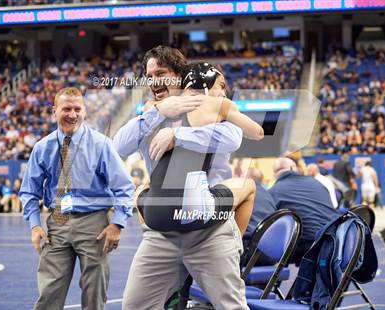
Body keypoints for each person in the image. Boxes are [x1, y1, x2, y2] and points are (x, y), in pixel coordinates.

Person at [115, 46, 249, 310]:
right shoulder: (150, 116)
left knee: (230, 306)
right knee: (134, 306)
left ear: (180, 75)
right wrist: (159, 112)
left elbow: (234, 138)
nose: (154, 81)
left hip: (209, 230)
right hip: (162, 232)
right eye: (150, 76)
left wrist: (178, 136)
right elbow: (117, 147)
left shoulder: (208, 104)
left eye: (161, 73)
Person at [19, 87, 135, 310]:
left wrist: (117, 224)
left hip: (94, 224)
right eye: (66, 109)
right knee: (49, 292)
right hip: (57, 222)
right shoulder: (42, 148)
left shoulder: (101, 145)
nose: (72, 114)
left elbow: (124, 187)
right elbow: (29, 191)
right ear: (54, 111)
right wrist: (35, 226)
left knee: (94, 292)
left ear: (84, 112)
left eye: (77, 109)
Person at [137, 62, 264, 235]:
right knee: (248, 185)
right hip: (203, 204)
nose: (224, 92)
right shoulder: (219, 107)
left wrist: (177, 134)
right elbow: (256, 133)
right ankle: (237, 246)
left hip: (160, 213)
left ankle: (152, 236)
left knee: (142, 190)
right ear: (205, 83)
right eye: (221, 86)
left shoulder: (160, 109)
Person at [269, 158, 339, 264]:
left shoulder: (274, 191)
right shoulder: (316, 183)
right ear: (293, 168)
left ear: (275, 174)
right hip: (335, 241)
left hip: (307, 247)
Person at [244, 168, 277, 265]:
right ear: (261, 179)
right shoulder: (269, 195)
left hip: (249, 252)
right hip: (273, 252)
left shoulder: (243, 193)